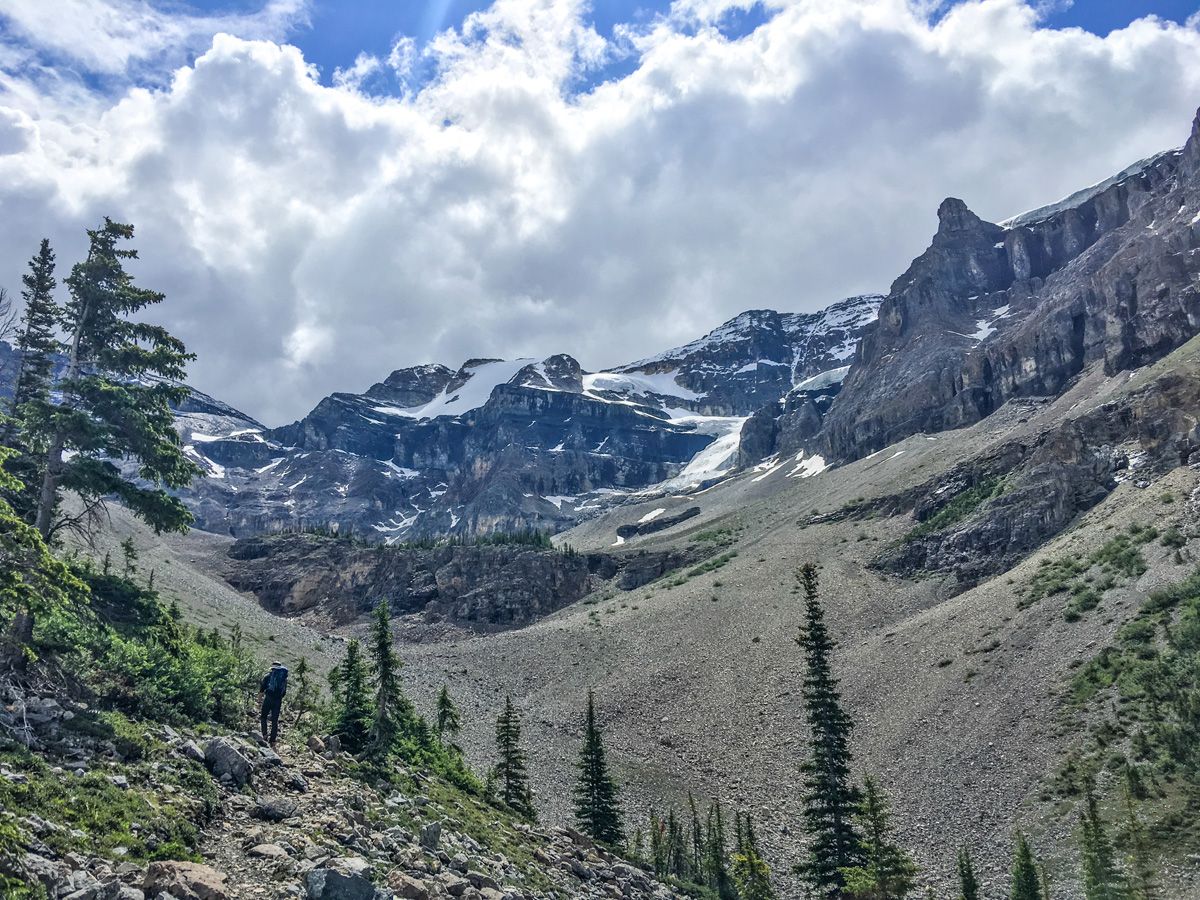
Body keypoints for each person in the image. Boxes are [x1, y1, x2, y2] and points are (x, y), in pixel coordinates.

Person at [260, 661, 289, 746]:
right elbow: (284, 692)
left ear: (272, 668)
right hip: (278, 700)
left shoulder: (268, 676)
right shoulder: (284, 678)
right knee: (275, 720)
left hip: (268, 698)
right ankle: (273, 740)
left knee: (263, 716)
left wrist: (259, 700)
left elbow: (261, 690)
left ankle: (264, 735)